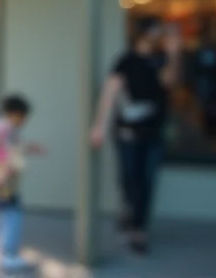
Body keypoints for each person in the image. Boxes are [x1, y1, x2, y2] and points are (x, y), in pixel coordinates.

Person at [90, 16, 182, 254]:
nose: (158, 36)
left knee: (148, 180)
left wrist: (173, 54)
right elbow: (109, 94)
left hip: (154, 131)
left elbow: (169, 82)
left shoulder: (161, 59)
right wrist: (99, 126)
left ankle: (139, 229)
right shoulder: (126, 61)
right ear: (142, 34)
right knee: (129, 177)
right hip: (127, 132)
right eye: (155, 31)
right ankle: (129, 211)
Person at [0, 94, 44, 273]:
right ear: (15, 114)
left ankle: (6, 252)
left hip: (7, 178)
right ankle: (9, 256)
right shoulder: (2, 125)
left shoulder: (10, 129)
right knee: (13, 213)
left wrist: (32, 148)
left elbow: (16, 145)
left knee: (8, 214)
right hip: (1, 179)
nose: (25, 121)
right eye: (24, 117)